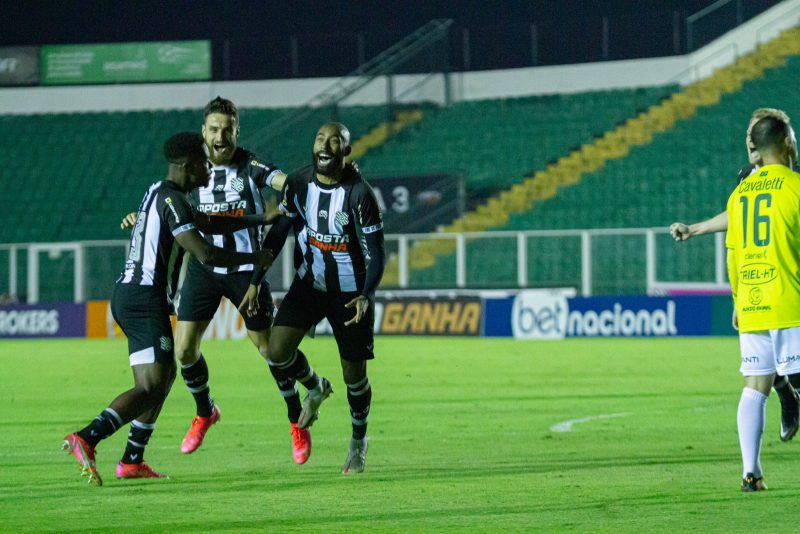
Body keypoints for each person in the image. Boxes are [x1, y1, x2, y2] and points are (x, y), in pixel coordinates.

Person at [63, 132, 275, 486]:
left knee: (162, 379)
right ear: (187, 165)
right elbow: (205, 252)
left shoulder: (159, 191)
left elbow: (208, 223)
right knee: (150, 386)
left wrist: (258, 220)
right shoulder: (173, 200)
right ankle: (87, 437)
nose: (210, 168)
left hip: (133, 295)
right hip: (144, 299)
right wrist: (255, 257)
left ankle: (132, 459)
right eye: (204, 162)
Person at [121, 97, 318, 465]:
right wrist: (143, 216)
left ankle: (296, 421)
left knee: (268, 349)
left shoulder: (249, 164)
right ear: (203, 133)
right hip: (203, 269)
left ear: (237, 131)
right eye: (214, 129)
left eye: (227, 129)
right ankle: (204, 411)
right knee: (183, 350)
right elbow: (171, 205)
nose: (220, 136)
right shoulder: (193, 168)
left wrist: (295, 185)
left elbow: (278, 179)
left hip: (246, 271)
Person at [243, 122, 386, 474]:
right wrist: (255, 279)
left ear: (346, 151)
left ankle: (358, 441)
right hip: (309, 285)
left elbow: (377, 253)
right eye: (320, 138)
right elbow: (279, 231)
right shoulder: (299, 184)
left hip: (351, 295)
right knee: (276, 350)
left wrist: (367, 295)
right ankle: (317, 387)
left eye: (334, 140)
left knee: (355, 374)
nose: (325, 145)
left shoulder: (360, 195)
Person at [669, 108, 800, 442]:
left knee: (765, 372)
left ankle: (786, 393)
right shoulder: (746, 179)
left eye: (754, 135)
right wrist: (738, 295)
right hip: (762, 284)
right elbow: (737, 220)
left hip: (784, 276)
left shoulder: (790, 175)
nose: (749, 142)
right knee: (763, 368)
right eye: (747, 135)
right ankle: (785, 393)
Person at [726, 114, 800, 491]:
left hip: (753, 302)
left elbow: (733, 253)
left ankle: (750, 473)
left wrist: (739, 299)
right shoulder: (795, 187)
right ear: (787, 142)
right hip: (790, 301)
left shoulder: (739, 194)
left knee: (755, 386)